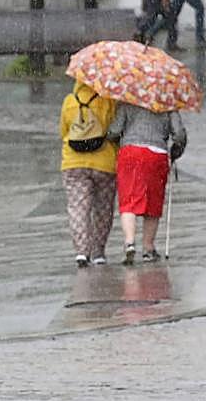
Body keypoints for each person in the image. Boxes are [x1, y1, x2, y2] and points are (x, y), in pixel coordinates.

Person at [107, 103, 186, 264]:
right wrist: (177, 147)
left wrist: (113, 136)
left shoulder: (128, 101)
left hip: (130, 152)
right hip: (156, 155)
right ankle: (148, 248)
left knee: (128, 201)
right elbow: (179, 134)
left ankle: (129, 243)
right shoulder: (168, 102)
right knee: (153, 203)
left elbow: (114, 130)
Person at [59, 80, 118, 267]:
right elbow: (115, 130)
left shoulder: (69, 101)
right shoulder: (108, 101)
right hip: (104, 163)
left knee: (78, 208)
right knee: (103, 208)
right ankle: (99, 251)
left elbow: (63, 131)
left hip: (73, 163)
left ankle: (82, 251)